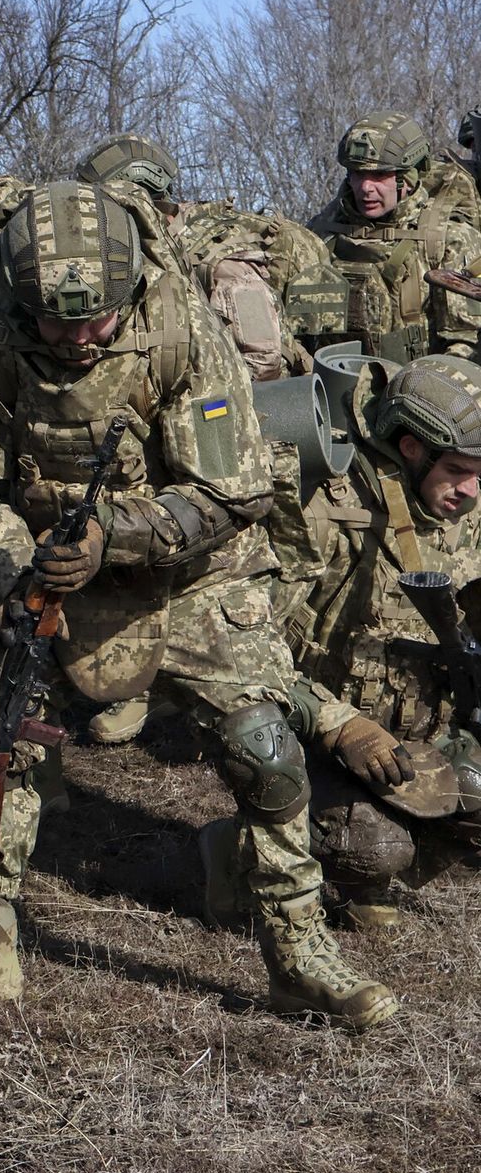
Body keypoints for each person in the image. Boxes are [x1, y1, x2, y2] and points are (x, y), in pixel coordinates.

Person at [0, 180, 399, 1033]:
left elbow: (230, 491)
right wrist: (23, 564)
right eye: (59, 323)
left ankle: (299, 956)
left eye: (97, 323)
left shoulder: (179, 329)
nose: (80, 342)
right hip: (54, 568)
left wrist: (114, 536)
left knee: (264, 748)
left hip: (195, 573)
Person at [73, 133, 349, 744]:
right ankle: (146, 679)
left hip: (241, 439)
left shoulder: (219, 263)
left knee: (269, 576)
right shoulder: (112, 260)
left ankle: (277, 696)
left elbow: (263, 368)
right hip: (165, 437)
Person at [201, 354, 481, 929]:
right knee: (375, 844)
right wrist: (340, 723)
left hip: (422, 730)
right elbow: (247, 654)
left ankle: (357, 878)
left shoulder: (464, 508)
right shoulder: (323, 510)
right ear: (411, 448)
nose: (473, 491)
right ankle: (222, 859)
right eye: (458, 469)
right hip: (322, 734)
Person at [309, 111, 481, 365]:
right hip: (329, 385)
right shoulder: (320, 233)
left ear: (408, 178)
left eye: (379, 175)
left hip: (420, 388)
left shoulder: (449, 238)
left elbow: (466, 345)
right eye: (357, 173)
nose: (366, 188)